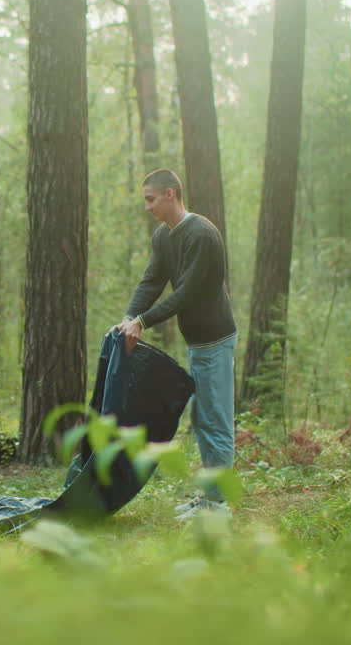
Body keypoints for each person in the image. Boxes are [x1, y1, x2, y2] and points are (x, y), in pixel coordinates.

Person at [115, 169, 237, 520]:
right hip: (197, 341)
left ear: (170, 194)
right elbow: (152, 280)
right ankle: (211, 498)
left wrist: (144, 322)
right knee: (203, 419)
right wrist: (130, 317)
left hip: (215, 340)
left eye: (150, 199)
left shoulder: (202, 235)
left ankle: (218, 505)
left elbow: (185, 294)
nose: (147, 207)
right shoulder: (163, 238)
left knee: (215, 421)